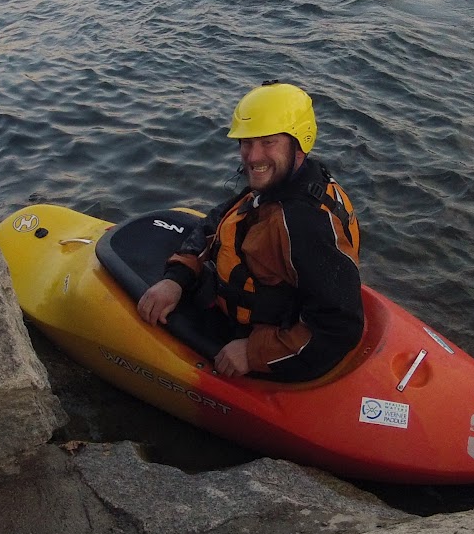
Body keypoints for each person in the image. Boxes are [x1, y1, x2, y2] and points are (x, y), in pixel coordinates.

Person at [136, 82, 363, 383]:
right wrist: (177, 278)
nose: (252, 157)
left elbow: (341, 327)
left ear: (299, 144)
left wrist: (254, 353)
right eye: (246, 142)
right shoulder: (285, 182)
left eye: (268, 142)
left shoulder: (304, 223)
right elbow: (220, 220)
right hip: (241, 304)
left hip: (270, 341)